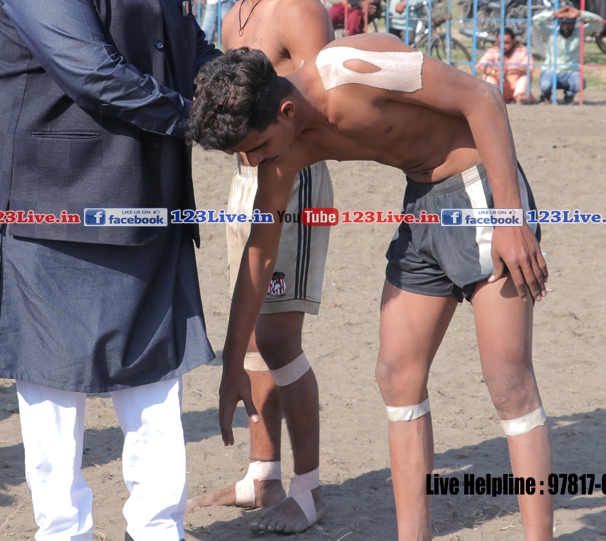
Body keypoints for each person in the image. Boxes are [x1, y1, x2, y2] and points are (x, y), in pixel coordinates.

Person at [0, 0, 218, 541]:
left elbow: (190, 50)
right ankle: (63, 533)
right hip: (51, 211)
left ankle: (159, 529)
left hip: (147, 201)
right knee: (52, 396)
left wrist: (249, 95)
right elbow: (92, 73)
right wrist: (195, 121)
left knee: (157, 384)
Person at [188, 35, 553, 541]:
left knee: (509, 382)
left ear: (286, 112)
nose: (252, 163)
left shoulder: (352, 69)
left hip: (483, 194)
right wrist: (232, 363)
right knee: (396, 376)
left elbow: (482, 97)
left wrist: (511, 219)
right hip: (421, 206)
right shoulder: (280, 154)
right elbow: (261, 251)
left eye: (255, 148)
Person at [187, 0, 335, 534]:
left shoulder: (296, 6)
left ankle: (308, 490)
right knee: (250, 331)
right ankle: (262, 474)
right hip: (243, 183)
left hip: (291, 183)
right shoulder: (234, 13)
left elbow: (325, 106)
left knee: (278, 336)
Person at [532, 4, 602, 104]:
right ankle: (546, 94)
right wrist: (554, 14)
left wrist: (580, 14)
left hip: (571, 71)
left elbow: (598, 21)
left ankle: (569, 95)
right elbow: (535, 20)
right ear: (559, 22)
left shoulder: (580, 33)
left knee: (579, 84)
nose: (566, 26)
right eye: (563, 22)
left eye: (570, 22)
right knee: (545, 85)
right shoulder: (551, 32)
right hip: (552, 70)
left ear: (575, 23)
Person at [475, 28, 533, 103]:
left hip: (515, 87)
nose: (503, 46)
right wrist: (494, 73)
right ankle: (493, 98)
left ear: (514, 41)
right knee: (489, 76)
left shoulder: (522, 51)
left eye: (506, 43)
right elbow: (480, 65)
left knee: (524, 76)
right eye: (501, 42)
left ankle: (521, 97)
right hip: (499, 86)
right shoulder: (493, 51)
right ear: (497, 41)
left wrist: (508, 72)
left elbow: (528, 68)